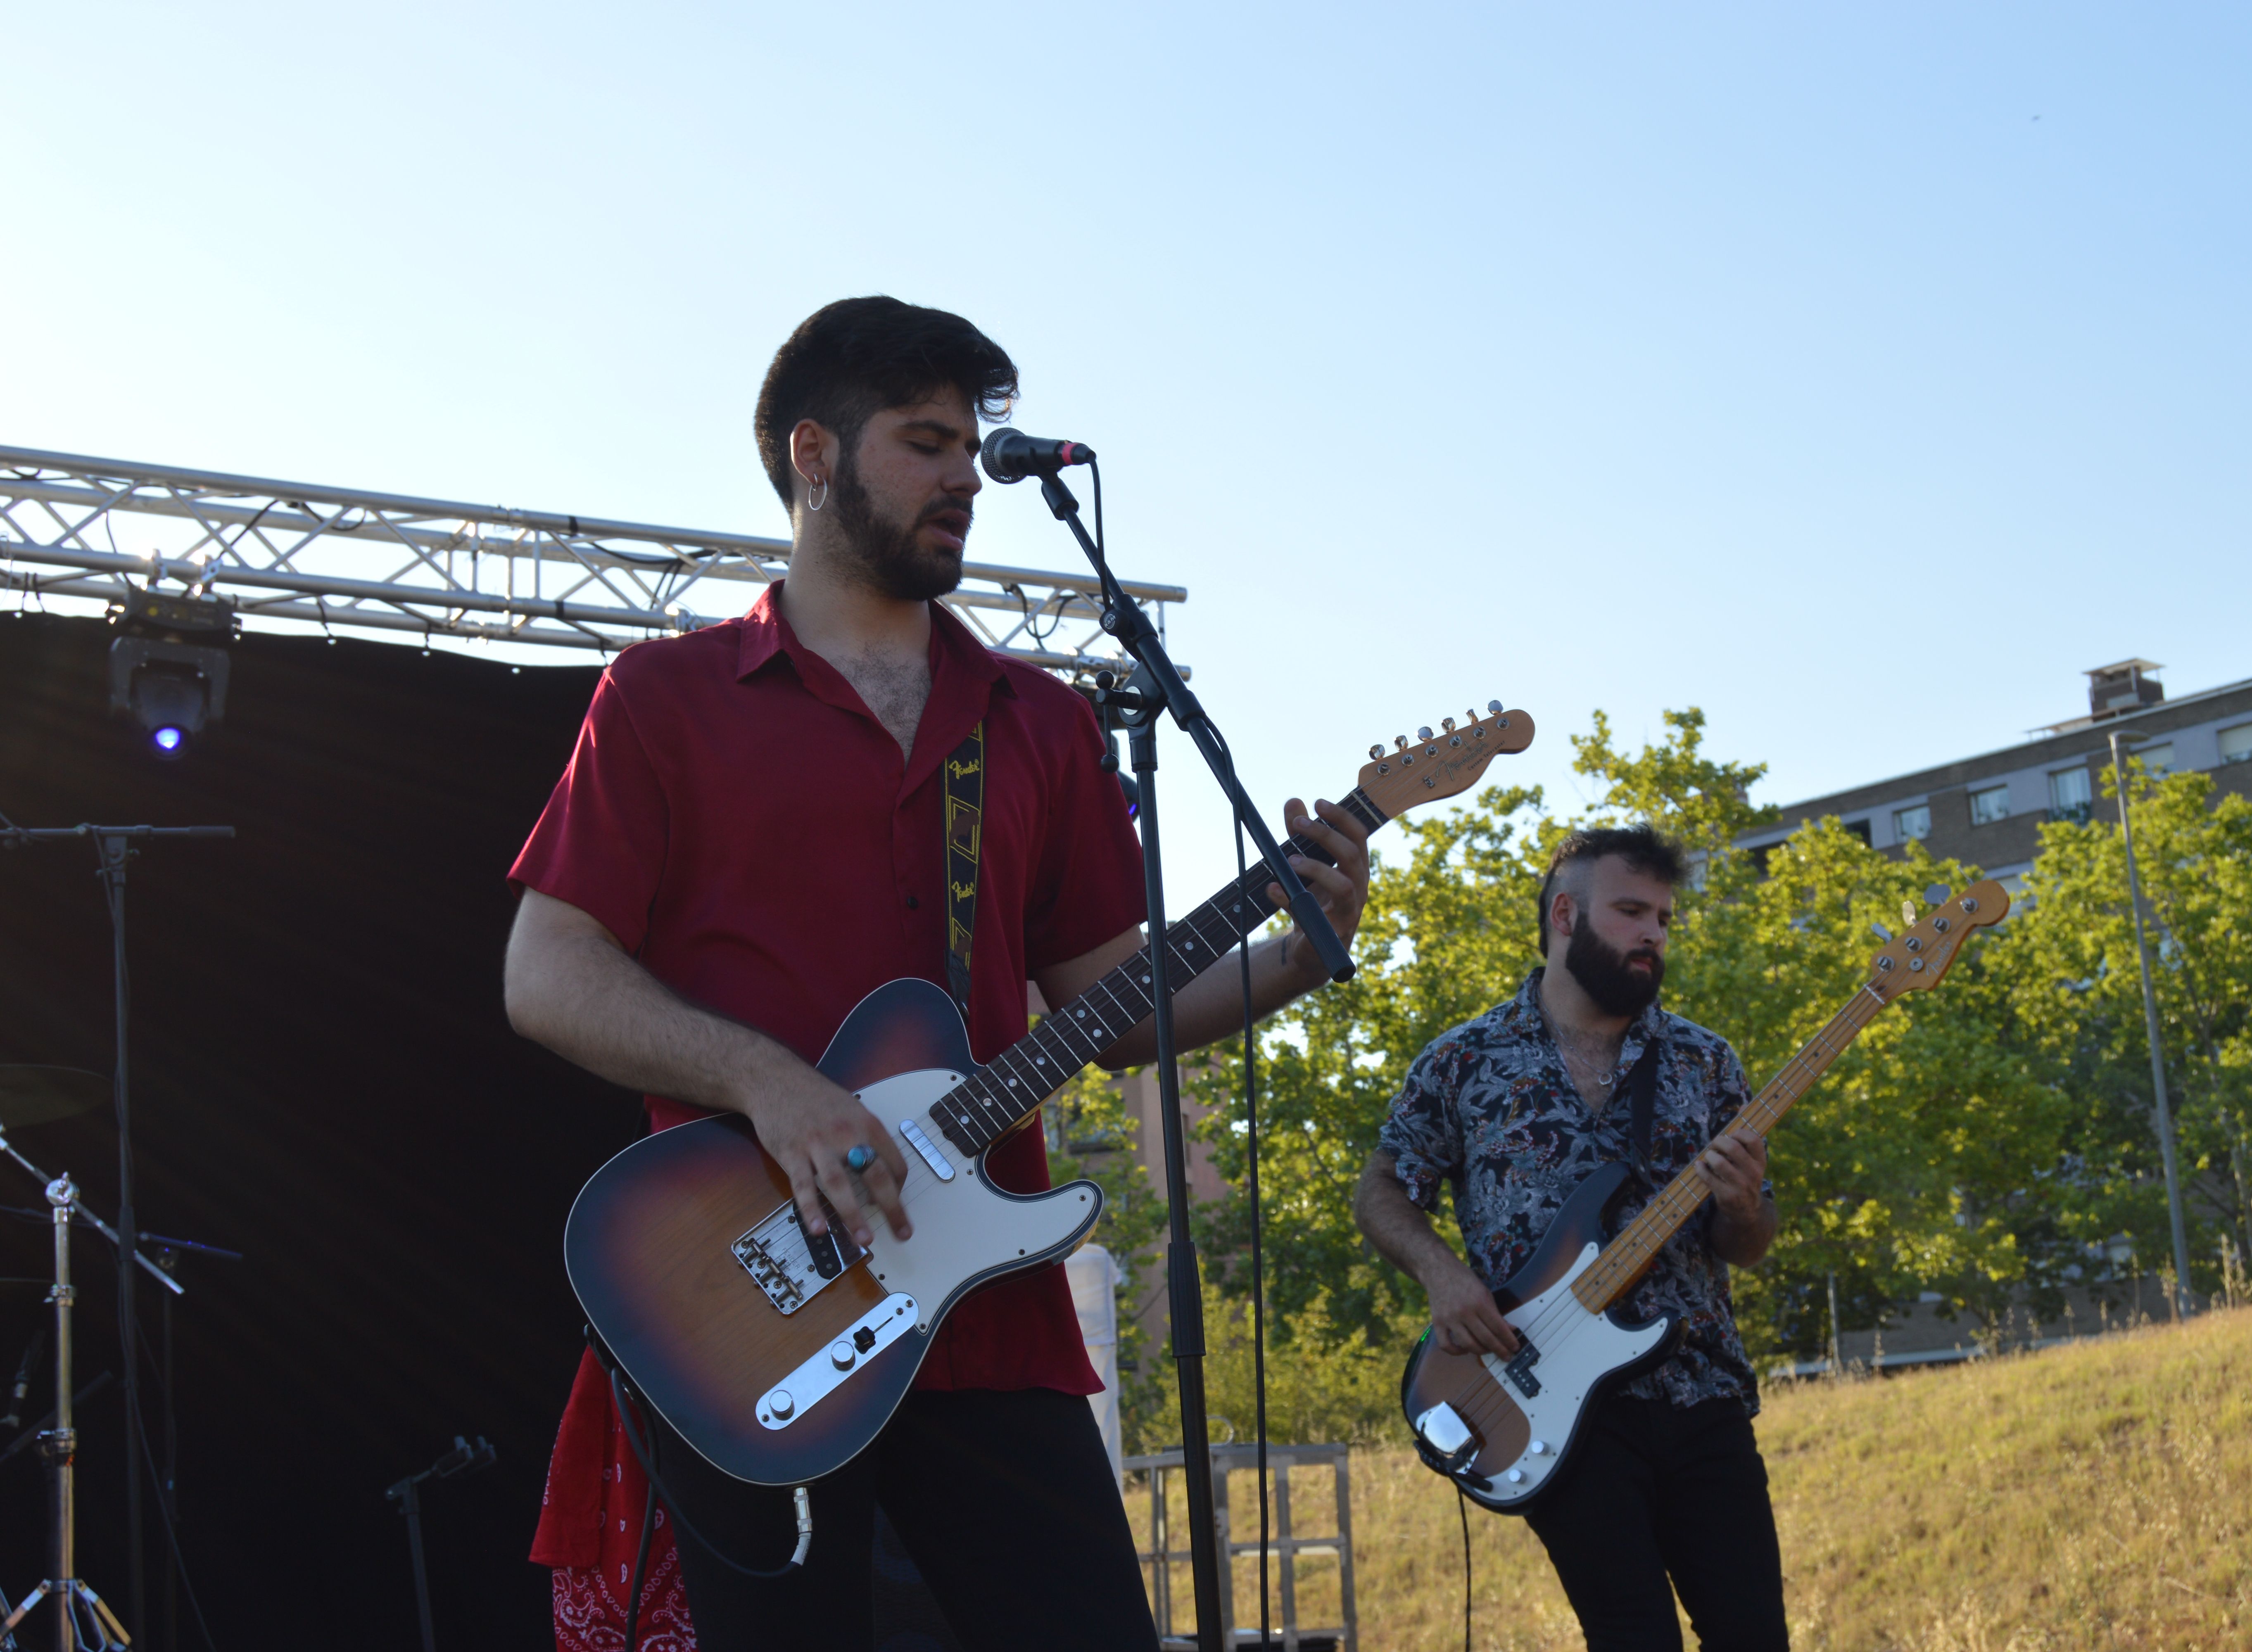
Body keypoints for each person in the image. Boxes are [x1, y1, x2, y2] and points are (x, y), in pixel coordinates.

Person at [503, 295, 1371, 1652]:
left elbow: (1114, 1001)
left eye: (970, 448)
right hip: (754, 1303)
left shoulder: (1036, 718)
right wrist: (771, 1085)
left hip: (992, 1307)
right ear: (811, 455)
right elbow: (546, 977)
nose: (965, 478)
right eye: (924, 443)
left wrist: (1299, 952)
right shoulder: (663, 699)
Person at [1353, 824, 1787, 1652]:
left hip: (1702, 1393)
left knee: (1753, 1635)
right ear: (1564, 912)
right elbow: (1381, 1188)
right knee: (1631, 1637)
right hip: (1548, 1398)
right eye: (1630, 910)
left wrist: (1739, 1207)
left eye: (1662, 917)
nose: (1652, 934)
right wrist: (1442, 1277)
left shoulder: (1704, 1061)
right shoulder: (1462, 1060)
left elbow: (1750, 1239)